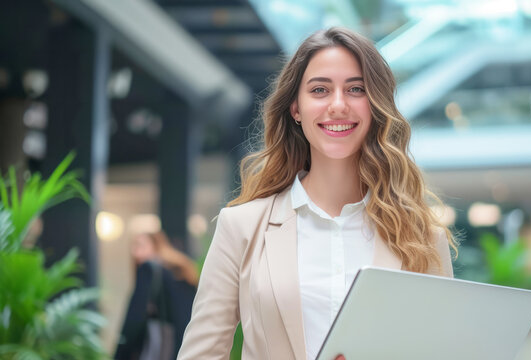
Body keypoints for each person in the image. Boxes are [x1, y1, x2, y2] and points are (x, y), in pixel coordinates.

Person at [178, 27, 457, 360]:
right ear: (296, 108)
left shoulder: (422, 236)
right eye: (320, 90)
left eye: (356, 89)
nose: (338, 105)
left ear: (376, 106)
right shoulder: (241, 227)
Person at [115, 231, 198, 360]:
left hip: (160, 348)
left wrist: (120, 353)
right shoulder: (182, 271)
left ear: (156, 245)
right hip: (186, 347)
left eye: (140, 246)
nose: (134, 252)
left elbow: (135, 318)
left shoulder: (148, 269)